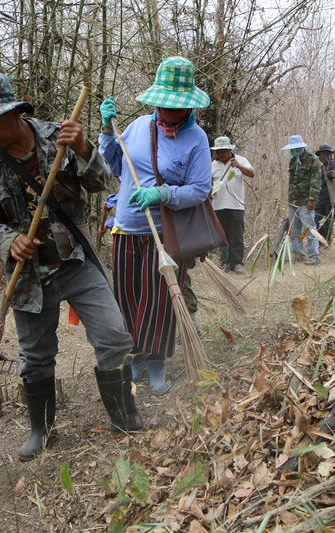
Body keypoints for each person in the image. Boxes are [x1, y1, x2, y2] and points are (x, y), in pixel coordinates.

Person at [0, 72, 143, 462]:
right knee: (36, 357)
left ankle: (125, 417)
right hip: (28, 278)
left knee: (114, 337)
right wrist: (7, 241)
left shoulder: (60, 137)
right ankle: (42, 429)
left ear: (15, 112)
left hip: (76, 261)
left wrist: (86, 148)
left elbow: (106, 183)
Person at [98, 56, 211, 395]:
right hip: (126, 230)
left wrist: (162, 193)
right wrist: (107, 131)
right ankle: (134, 361)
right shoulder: (135, 128)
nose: (166, 113)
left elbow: (200, 189)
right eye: (161, 105)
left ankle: (157, 364)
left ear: (188, 107)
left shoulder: (197, 139)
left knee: (159, 302)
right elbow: (114, 165)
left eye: (174, 107)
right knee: (128, 299)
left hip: (165, 234)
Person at [210, 136, 255, 273]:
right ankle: (225, 262)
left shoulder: (240, 161)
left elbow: (252, 173)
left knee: (236, 235)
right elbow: (207, 184)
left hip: (236, 205)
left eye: (224, 150)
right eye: (219, 151)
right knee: (222, 236)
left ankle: (237, 262)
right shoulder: (212, 166)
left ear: (230, 150)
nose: (221, 153)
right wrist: (211, 192)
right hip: (218, 206)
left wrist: (239, 166)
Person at [282, 135, 321, 265]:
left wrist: (312, 199)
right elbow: (291, 182)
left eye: (295, 149)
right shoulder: (293, 161)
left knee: (309, 229)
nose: (292, 151)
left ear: (301, 148)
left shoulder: (313, 160)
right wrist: (289, 200)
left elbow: (315, 180)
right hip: (293, 201)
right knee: (294, 230)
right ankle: (298, 254)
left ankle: (314, 256)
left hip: (306, 201)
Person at [314, 144, 335, 247]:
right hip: (321, 199)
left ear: (328, 155)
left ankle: (326, 243)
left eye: (322, 155)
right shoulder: (322, 168)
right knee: (313, 220)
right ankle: (318, 241)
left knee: (328, 223)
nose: (320, 157)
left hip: (332, 200)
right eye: (320, 155)